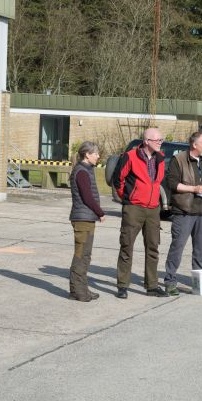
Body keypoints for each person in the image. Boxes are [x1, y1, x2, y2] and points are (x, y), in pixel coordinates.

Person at [112, 127, 168, 299]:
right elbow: (117, 180)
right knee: (127, 246)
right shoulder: (129, 156)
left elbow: (157, 182)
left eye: (161, 140)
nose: (160, 142)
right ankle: (122, 285)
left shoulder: (161, 158)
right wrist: (128, 199)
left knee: (153, 248)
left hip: (153, 209)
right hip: (134, 208)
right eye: (157, 140)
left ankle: (152, 286)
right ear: (146, 141)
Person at [163, 131, 202, 296]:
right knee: (178, 247)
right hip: (184, 211)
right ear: (194, 145)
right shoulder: (178, 160)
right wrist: (193, 189)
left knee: (200, 249)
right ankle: (170, 281)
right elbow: (172, 183)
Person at [68, 141, 105, 302]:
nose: (98, 156)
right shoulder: (82, 172)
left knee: (85, 255)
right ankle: (77, 291)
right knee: (81, 255)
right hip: (83, 219)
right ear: (87, 154)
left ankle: (82, 289)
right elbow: (87, 197)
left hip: (86, 218)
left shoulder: (86, 170)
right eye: (95, 153)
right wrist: (100, 212)